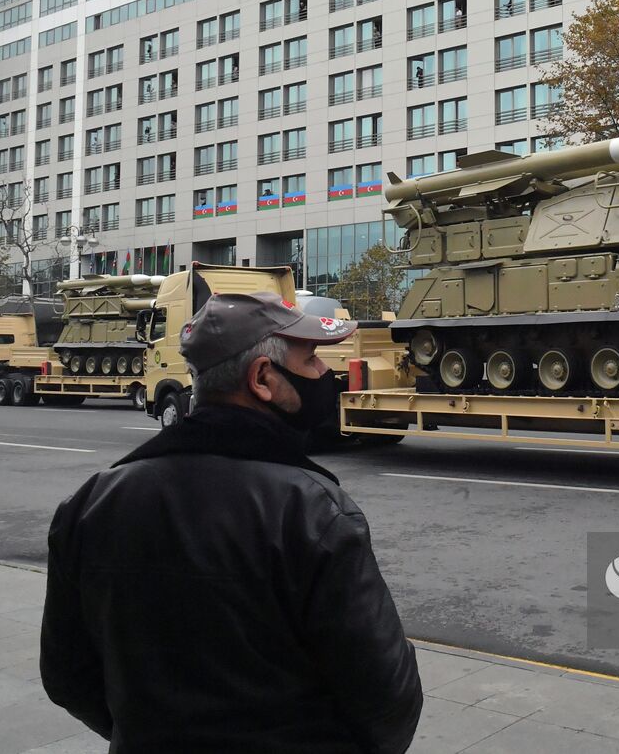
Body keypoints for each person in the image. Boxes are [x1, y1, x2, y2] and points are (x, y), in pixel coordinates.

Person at [41, 292, 422, 751]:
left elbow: (66, 675)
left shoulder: (91, 504)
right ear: (263, 378)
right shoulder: (312, 511)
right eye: (313, 358)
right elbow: (386, 697)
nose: (325, 373)